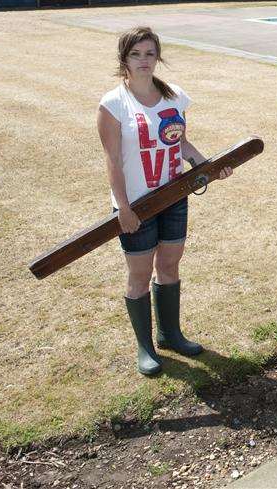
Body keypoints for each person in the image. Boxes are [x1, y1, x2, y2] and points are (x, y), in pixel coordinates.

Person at [97, 26, 232, 375]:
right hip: (136, 206)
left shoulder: (174, 97)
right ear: (124, 59)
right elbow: (112, 160)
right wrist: (123, 208)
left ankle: (170, 334)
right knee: (139, 274)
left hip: (174, 196)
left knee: (169, 266)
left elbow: (182, 144)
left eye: (150, 54)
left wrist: (208, 167)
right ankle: (146, 347)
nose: (144, 61)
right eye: (136, 54)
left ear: (158, 57)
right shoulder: (113, 104)